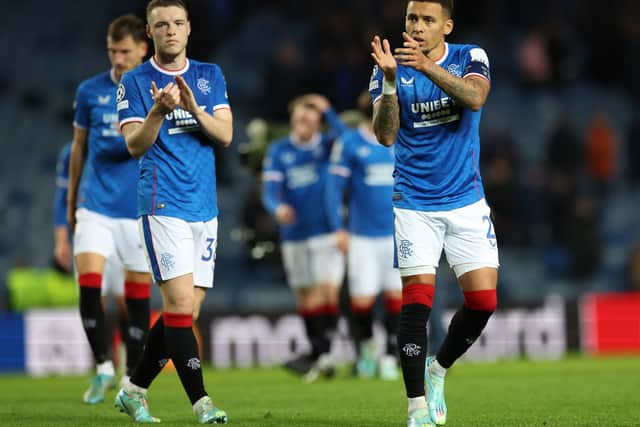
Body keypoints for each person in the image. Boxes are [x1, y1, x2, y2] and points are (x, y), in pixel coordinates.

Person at [369, 1, 499, 425]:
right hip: (414, 204)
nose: (417, 27)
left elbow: (475, 98)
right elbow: (385, 135)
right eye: (411, 19)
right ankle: (416, 409)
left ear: (447, 25)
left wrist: (425, 67)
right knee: (416, 307)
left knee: (482, 301)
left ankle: (438, 368)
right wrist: (390, 83)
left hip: (466, 199)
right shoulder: (389, 67)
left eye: (427, 20)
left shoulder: (469, 56)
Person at [114, 0, 233, 423]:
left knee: (185, 312)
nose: (170, 31)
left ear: (188, 29)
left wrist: (192, 108)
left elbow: (225, 135)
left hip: (205, 208)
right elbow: (134, 145)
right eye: (161, 24)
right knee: (180, 306)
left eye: (178, 23)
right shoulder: (135, 80)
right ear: (149, 32)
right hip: (162, 204)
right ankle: (202, 403)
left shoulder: (208, 75)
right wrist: (159, 112)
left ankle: (134, 389)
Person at [67, 15, 152, 405]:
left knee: (136, 302)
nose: (117, 59)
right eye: (112, 51)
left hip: (135, 209)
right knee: (89, 282)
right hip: (95, 204)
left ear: (142, 50)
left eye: (124, 51)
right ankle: (102, 366)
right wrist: (72, 203)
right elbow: (78, 148)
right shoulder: (89, 91)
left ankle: (132, 383)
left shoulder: (155, 91)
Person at [262, 93, 347, 381]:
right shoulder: (279, 150)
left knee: (328, 292)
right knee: (306, 295)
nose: (304, 122)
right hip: (294, 234)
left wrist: (329, 110)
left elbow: (349, 138)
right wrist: (278, 208)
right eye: (299, 117)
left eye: (310, 118)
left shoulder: (327, 146)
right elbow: (270, 192)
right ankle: (319, 354)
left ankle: (324, 353)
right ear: (292, 120)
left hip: (325, 231)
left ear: (318, 123)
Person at [325, 91, 402, 381]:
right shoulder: (350, 143)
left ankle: (392, 355)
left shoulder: (399, 139)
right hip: (362, 237)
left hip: (396, 234)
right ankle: (368, 350)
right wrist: (338, 228)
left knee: (396, 298)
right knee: (362, 300)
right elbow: (333, 190)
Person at [54, 141, 132, 376]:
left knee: (125, 301)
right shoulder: (72, 152)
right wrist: (61, 240)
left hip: (124, 227)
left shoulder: (131, 142)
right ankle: (103, 363)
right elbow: (62, 195)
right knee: (93, 297)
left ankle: (128, 362)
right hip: (91, 227)